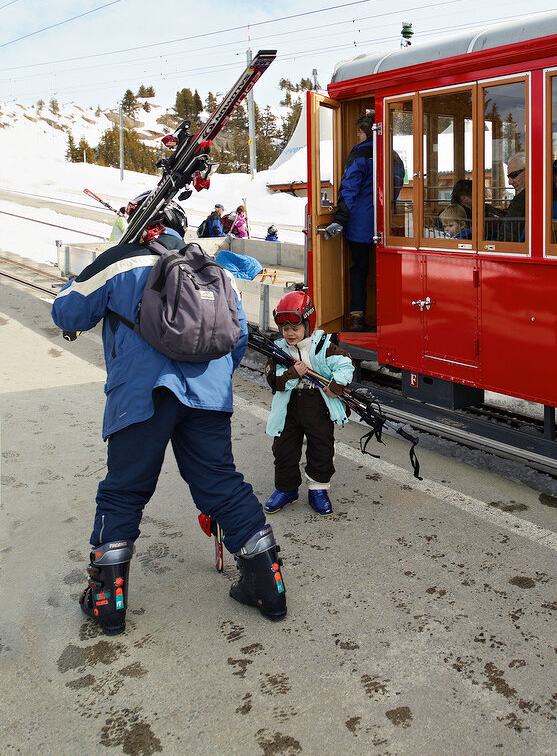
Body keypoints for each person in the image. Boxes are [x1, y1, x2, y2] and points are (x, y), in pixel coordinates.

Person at [51, 195, 286, 635]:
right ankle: (268, 586)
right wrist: (210, 382)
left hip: (140, 397)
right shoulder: (215, 271)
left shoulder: (120, 262)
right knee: (222, 484)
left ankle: (108, 600)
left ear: (142, 224)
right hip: (209, 397)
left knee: (124, 490)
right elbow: (235, 341)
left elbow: (67, 311)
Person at [263, 291, 355, 518]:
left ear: (308, 324)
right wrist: (292, 373)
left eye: (295, 328)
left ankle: (318, 490)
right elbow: (274, 380)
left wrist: (336, 386)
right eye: (285, 330)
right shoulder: (278, 351)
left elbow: (345, 364)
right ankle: (286, 489)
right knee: (283, 450)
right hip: (289, 408)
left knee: (322, 447)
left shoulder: (323, 347)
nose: (290, 334)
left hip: (318, 406)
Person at [323, 113, 374, 332]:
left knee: (359, 269)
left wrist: (340, 218)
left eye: (359, 132)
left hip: (360, 225)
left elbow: (349, 188)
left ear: (365, 133)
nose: (357, 136)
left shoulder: (359, 154)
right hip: (385, 224)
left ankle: (356, 316)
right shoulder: (392, 155)